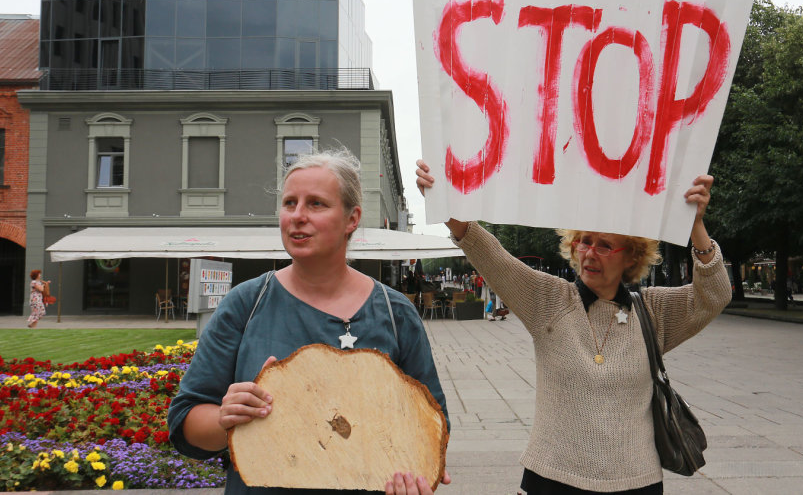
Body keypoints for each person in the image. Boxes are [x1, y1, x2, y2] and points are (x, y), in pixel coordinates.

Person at [416, 160, 731, 495]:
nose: (589, 253)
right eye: (583, 241)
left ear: (631, 256)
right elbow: (492, 255)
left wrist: (696, 225)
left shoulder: (652, 311)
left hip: (636, 483)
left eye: (605, 245)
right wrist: (446, 204)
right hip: (552, 479)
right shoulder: (549, 299)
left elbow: (714, 295)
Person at [169, 149, 450, 495]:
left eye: (316, 204)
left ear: (352, 219)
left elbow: (432, 422)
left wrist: (418, 472)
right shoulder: (245, 304)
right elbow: (186, 422)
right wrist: (225, 417)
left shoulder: (395, 313)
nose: (297, 216)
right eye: (290, 203)